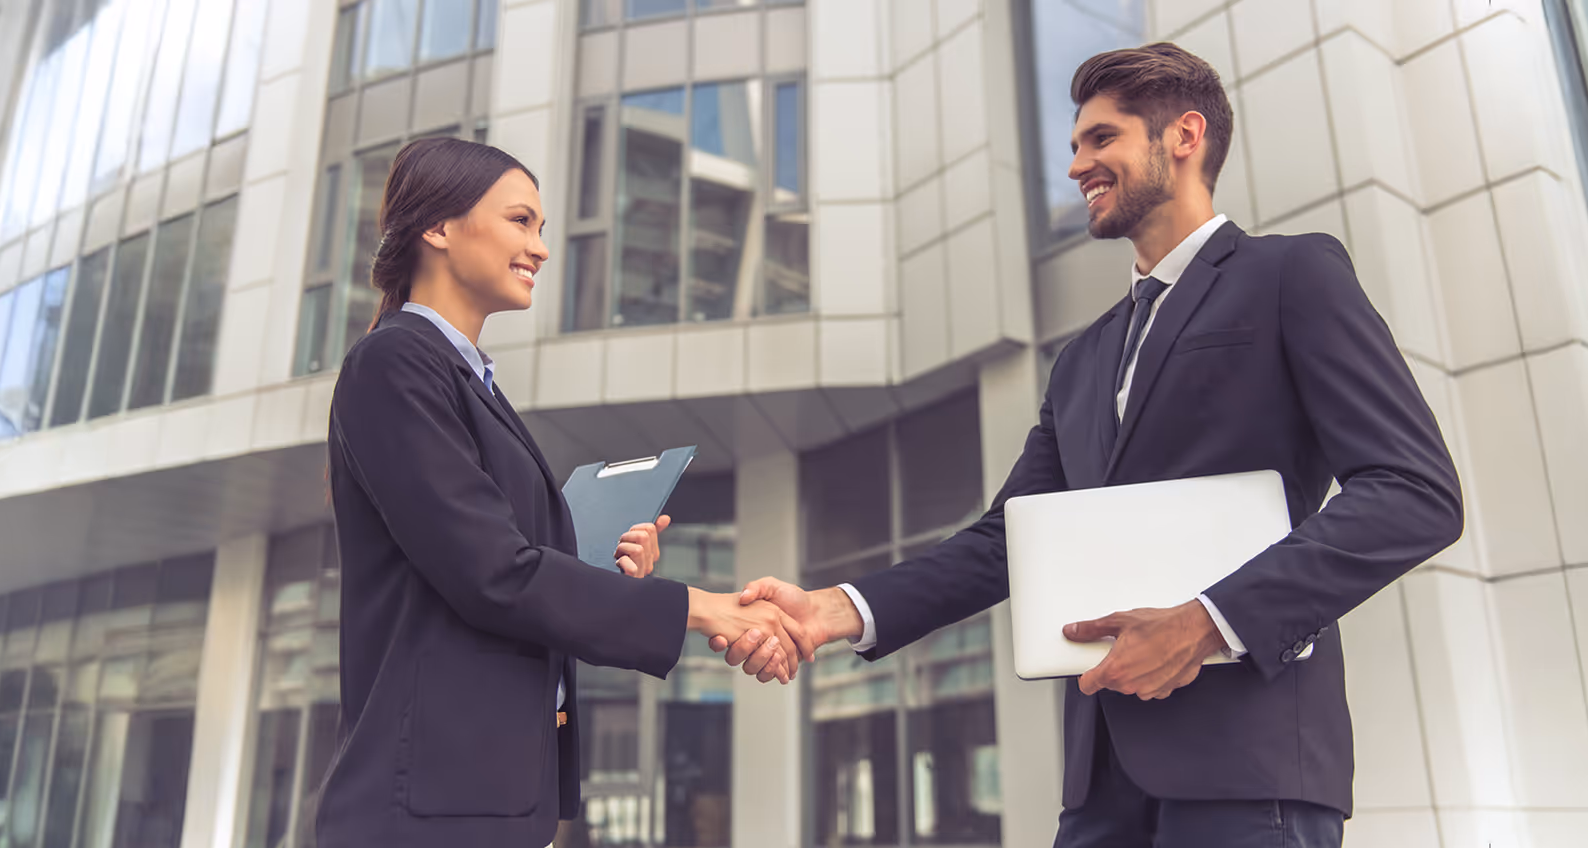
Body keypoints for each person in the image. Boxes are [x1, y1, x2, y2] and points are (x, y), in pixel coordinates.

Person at [722, 43, 1462, 847]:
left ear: (1183, 136)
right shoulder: (1081, 360)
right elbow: (1005, 540)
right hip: (1101, 783)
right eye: (1075, 145)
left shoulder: (1291, 274)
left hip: (1248, 771)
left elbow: (1413, 491)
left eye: (1100, 139)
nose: (1077, 166)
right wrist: (835, 610)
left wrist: (1208, 622)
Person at [315, 137, 809, 847]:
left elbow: (492, 563)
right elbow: (491, 573)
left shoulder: (466, 381)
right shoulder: (395, 363)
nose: (541, 248)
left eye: (541, 228)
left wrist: (597, 570)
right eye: (520, 221)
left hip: (487, 801)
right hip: (424, 814)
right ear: (439, 228)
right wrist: (702, 610)